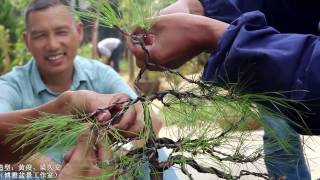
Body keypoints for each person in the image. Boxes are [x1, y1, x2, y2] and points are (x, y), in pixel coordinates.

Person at [128, 0, 320, 179]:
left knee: (281, 142)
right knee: (280, 143)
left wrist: (214, 35)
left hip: (284, 63)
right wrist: (197, 7)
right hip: (279, 64)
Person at [0, 0, 163, 172]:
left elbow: (151, 118)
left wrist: (118, 159)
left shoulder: (101, 73)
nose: (53, 45)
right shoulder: (11, 86)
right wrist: (58, 172)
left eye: (61, 32)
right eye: (40, 35)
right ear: (27, 41)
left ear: (78, 31)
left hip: (110, 169)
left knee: (154, 156)